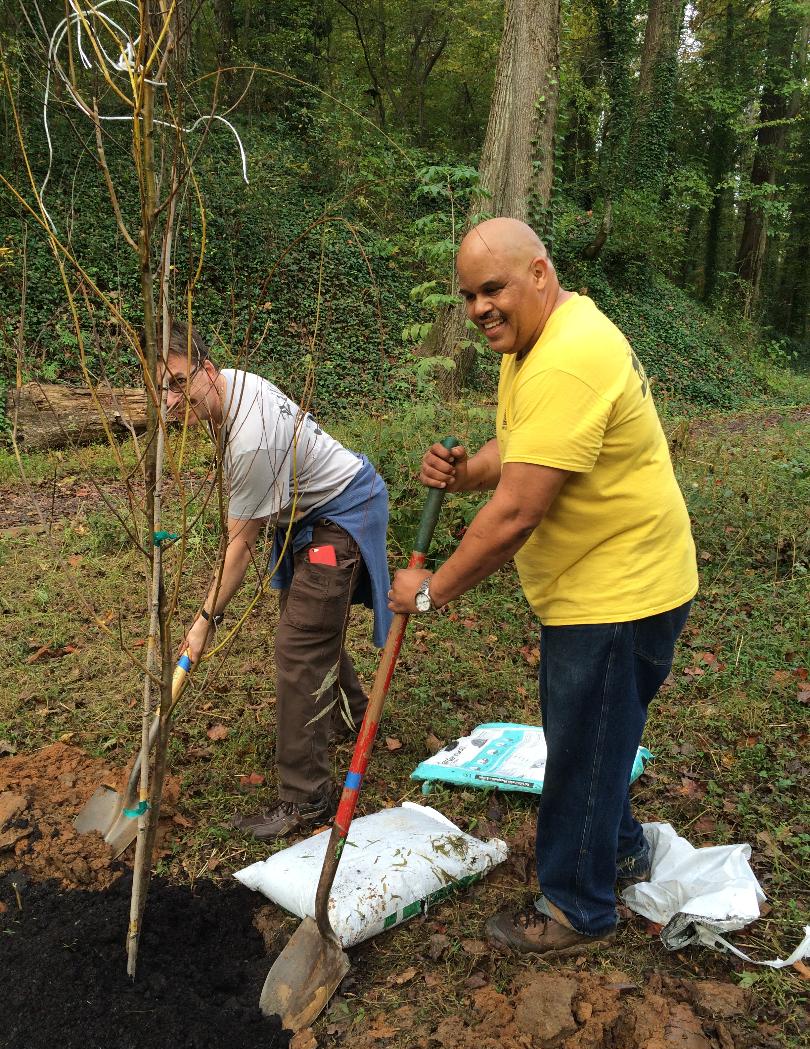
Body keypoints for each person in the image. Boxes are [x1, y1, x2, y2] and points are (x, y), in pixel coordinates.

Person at [388, 219, 697, 958]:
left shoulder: (567, 357)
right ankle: (620, 849)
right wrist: (469, 473)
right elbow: (528, 442)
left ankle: (576, 907)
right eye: (469, 295)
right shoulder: (537, 341)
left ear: (538, 272)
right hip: (602, 583)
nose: (479, 308)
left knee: (583, 749)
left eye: (492, 289)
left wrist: (430, 590)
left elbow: (517, 514)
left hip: (619, 593)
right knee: (593, 734)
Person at [157, 322, 392, 838]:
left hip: (339, 518)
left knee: (300, 642)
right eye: (162, 389)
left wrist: (203, 621)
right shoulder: (228, 386)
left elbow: (240, 546)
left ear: (207, 370)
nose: (170, 401)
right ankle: (354, 718)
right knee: (309, 624)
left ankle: (306, 798)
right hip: (310, 514)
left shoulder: (251, 441)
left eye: (178, 383)